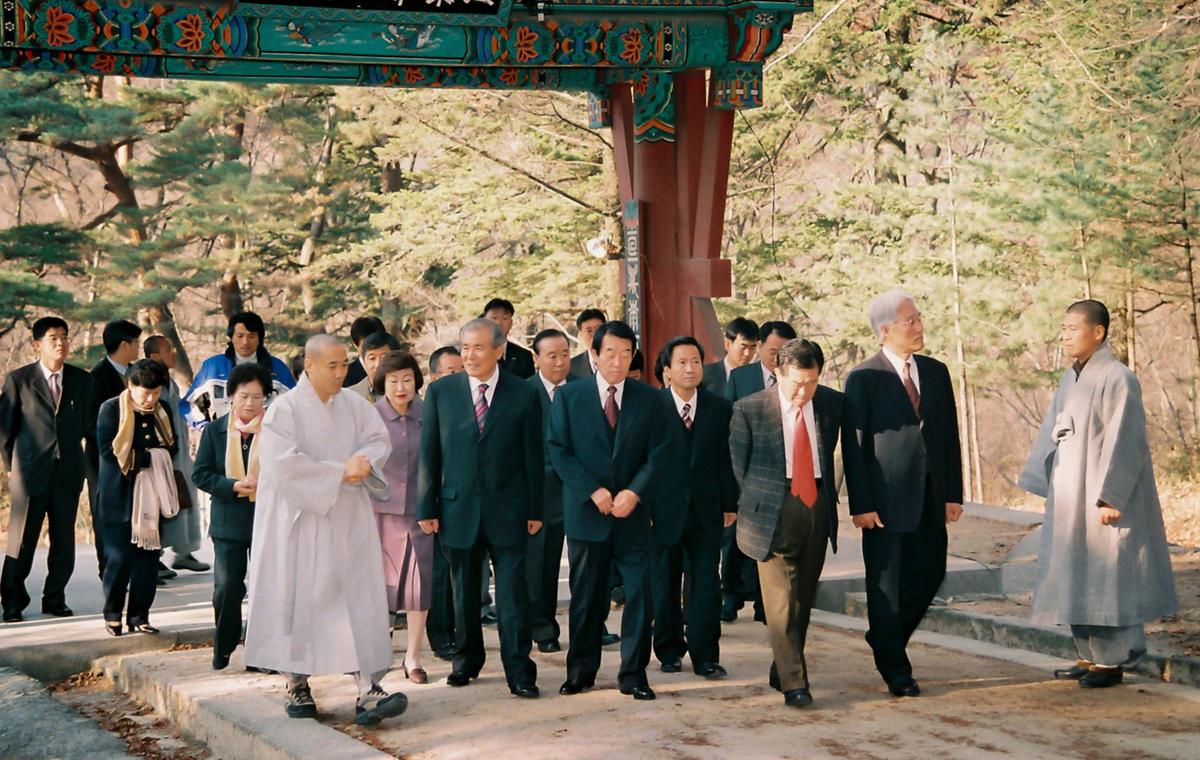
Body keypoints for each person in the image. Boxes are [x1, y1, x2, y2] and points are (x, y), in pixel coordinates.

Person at [243, 335, 406, 725]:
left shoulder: (354, 404)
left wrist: (363, 461)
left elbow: (377, 439)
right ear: (309, 367)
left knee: (357, 599)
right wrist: (338, 472)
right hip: (300, 520)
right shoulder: (284, 410)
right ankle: (296, 682)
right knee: (299, 600)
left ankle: (369, 688)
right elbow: (283, 466)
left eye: (344, 364)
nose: (340, 372)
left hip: (347, 516)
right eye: (331, 366)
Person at [1018, 300, 1177, 689]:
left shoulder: (1118, 377)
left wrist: (1111, 497)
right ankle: (1089, 654)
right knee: (1075, 571)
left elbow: (1127, 440)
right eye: (1063, 327)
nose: (1065, 334)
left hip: (1101, 495)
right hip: (1071, 492)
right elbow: (1054, 430)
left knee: (1109, 575)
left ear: (1098, 332)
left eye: (1073, 327)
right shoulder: (1069, 378)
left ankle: (1113, 660)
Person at [842, 290, 963, 698]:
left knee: (932, 572)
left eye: (919, 318)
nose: (919, 327)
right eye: (909, 321)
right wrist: (861, 504)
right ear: (885, 330)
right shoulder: (864, 378)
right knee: (887, 586)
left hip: (930, 494)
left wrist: (953, 493)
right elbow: (854, 445)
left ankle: (884, 637)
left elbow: (949, 436)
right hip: (884, 502)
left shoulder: (936, 371)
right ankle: (896, 669)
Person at [416, 319, 543, 698]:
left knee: (512, 597)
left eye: (478, 348)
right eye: (464, 347)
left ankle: (519, 670)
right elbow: (429, 455)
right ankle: (466, 661)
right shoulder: (442, 392)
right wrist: (427, 506)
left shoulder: (524, 393)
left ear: (499, 350)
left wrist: (535, 509)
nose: (469, 355)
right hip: (457, 509)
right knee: (465, 593)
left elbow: (533, 456)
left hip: (510, 510)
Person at [548, 320, 671, 701]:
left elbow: (659, 452)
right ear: (594, 355)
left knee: (639, 595)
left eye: (626, 353)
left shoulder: (649, 398)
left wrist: (635, 492)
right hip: (588, 515)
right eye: (610, 353)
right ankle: (581, 671)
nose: (618, 361)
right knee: (586, 597)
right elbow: (558, 449)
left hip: (633, 515)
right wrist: (592, 491)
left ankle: (634, 674)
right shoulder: (570, 397)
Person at [732, 339, 843, 708]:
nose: (804, 390)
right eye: (796, 382)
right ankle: (796, 683)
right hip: (770, 510)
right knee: (780, 599)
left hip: (816, 504)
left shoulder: (830, 403)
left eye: (811, 381)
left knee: (803, 599)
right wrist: (752, 507)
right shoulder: (749, 409)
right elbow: (738, 467)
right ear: (778, 371)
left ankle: (783, 666)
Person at [651, 336, 738, 679]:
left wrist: (730, 503)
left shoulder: (719, 408)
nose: (690, 368)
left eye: (696, 362)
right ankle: (669, 651)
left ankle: (706, 655)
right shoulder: (651, 407)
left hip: (707, 509)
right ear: (667, 370)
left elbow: (726, 461)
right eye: (682, 362)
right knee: (665, 583)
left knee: (706, 583)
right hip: (663, 511)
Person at [1, 317, 96, 622]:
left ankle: (55, 598)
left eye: (65, 337)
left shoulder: (83, 381)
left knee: (63, 540)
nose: (61, 343)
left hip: (67, 472)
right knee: (22, 541)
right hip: (28, 473)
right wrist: (9, 468)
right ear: (37, 344)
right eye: (54, 338)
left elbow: (89, 426)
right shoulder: (19, 380)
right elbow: (5, 429)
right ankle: (12, 602)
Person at [192, 362, 272, 670]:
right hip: (228, 521)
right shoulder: (216, 430)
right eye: (244, 396)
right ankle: (223, 646)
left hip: (266, 519)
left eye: (257, 396)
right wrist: (233, 485)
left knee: (265, 589)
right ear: (231, 397)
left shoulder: (275, 430)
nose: (250, 403)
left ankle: (261, 653)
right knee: (227, 589)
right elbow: (201, 475)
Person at [96, 359, 180, 637]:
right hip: (118, 496)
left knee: (148, 561)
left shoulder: (163, 411)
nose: (151, 398)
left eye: (156, 392)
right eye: (145, 392)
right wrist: (149, 456)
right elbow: (109, 452)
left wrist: (153, 457)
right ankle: (112, 614)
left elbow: (173, 446)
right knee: (119, 559)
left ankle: (139, 615)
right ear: (130, 386)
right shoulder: (111, 410)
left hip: (152, 496)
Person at [721, 320, 797, 623]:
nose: (778, 358)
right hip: (745, 470)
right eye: (773, 350)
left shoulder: (796, 379)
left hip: (781, 475)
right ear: (761, 346)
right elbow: (726, 425)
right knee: (735, 541)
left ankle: (766, 604)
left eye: (785, 352)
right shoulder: (741, 377)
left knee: (773, 541)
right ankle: (731, 595)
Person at [371, 350, 434, 685]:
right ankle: (376, 656)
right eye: (393, 380)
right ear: (383, 382)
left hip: (420, 515)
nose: (400, 386)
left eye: (407, 379)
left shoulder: (428, 414)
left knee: (418, 587)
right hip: (377, 513)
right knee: (378, 587)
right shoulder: (369, 418)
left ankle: (413, 657)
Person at [144, 335, 209, 577]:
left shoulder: (169, 380)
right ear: (154, 356)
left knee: (186, 500)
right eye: (167, 350)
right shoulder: (148, 381)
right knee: (163, 505)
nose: (173, 353)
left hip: (180, 453)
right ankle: (156, 557)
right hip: (162, 455)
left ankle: (184, 552)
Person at [86, 319, 142, 579]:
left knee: (132, 511)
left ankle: (130, 567)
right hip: (103, 459)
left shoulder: (136, 373)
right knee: (106, 515)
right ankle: (107, 568)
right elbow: (90, 424)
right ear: (124, 344)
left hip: (134, 457)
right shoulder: (97, 377)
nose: (138, 348)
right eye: (136, 343)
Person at [527, 328, 572, 653]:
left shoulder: (583, 390)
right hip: (542, 494)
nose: (559, 362)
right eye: (552, 355)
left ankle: (592, 626)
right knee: (542, 567)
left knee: (590, 565)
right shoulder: (524, 393)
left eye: (565, 354)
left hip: (584, 492)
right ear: (536, 358)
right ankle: (544, 630)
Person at [180, 311, 296, 430]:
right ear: (231, 337)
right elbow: (188, 404)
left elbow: (296, 405)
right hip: (225, 439)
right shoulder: (213, 367)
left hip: (265, 439)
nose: (245, 342)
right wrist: (206, 429)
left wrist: (281, 431)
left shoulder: (277, 368)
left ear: (259, 339)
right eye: (240, 336)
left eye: (251, 336)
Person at [425, 344, 464, 659]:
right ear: (434, 377)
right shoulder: (430, 406)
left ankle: (462, 632)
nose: (459, 378)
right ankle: (441, 635)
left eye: (462, 371)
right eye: (452, 372)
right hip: (434, 502)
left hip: (463, 503)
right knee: (439, 573)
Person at [701, 317, 759, 397]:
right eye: (743, 347)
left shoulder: (759, 378)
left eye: (752, 347)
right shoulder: (704, 375)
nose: (747, 353)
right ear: (727, 344)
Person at [481, 298, 535, 379]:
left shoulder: (524, 356)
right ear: (484, 321)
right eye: (494, 318)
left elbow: (530, 388)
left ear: (511, 323)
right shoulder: (472, 353)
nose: (499, 323)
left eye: (505, 318)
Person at [348, 332, 402, 404]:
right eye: (372, 358)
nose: (378, 364)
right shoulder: (351, 396)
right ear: (364, 361)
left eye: (384, 358)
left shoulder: (406, 391)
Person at [344, 316, 387, 387]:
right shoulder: (345, 378)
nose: (373, 349)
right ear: (355, 345)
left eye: (377, 343)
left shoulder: (395, 369)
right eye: (367, 346)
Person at [569, 309, 606, 380]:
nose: (595, 334)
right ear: (581, 334)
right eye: (589, 331)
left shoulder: (618, 361)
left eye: (598, 329)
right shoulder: (571, 366)